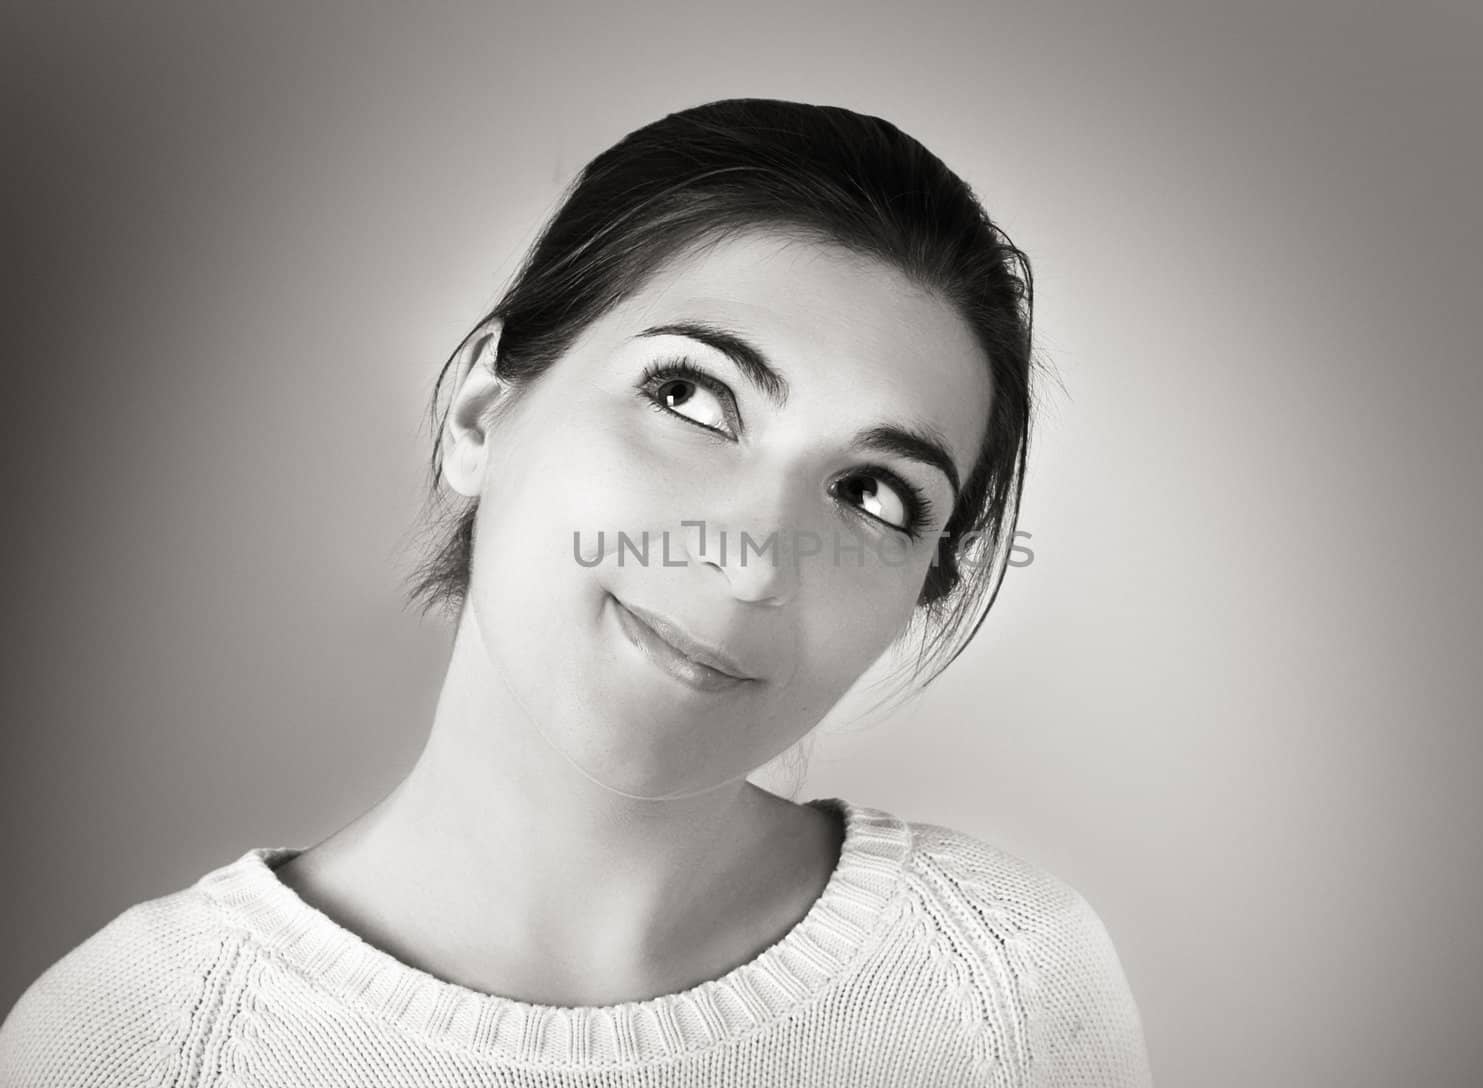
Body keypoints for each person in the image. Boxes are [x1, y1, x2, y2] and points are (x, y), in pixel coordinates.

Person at [0, 97, 1153, 1087]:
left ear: (918, 589)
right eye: (691, 396)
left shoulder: (1007, 981)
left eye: (873, 493)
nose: (754, 560)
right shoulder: (134, 1041)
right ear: (480, 420)